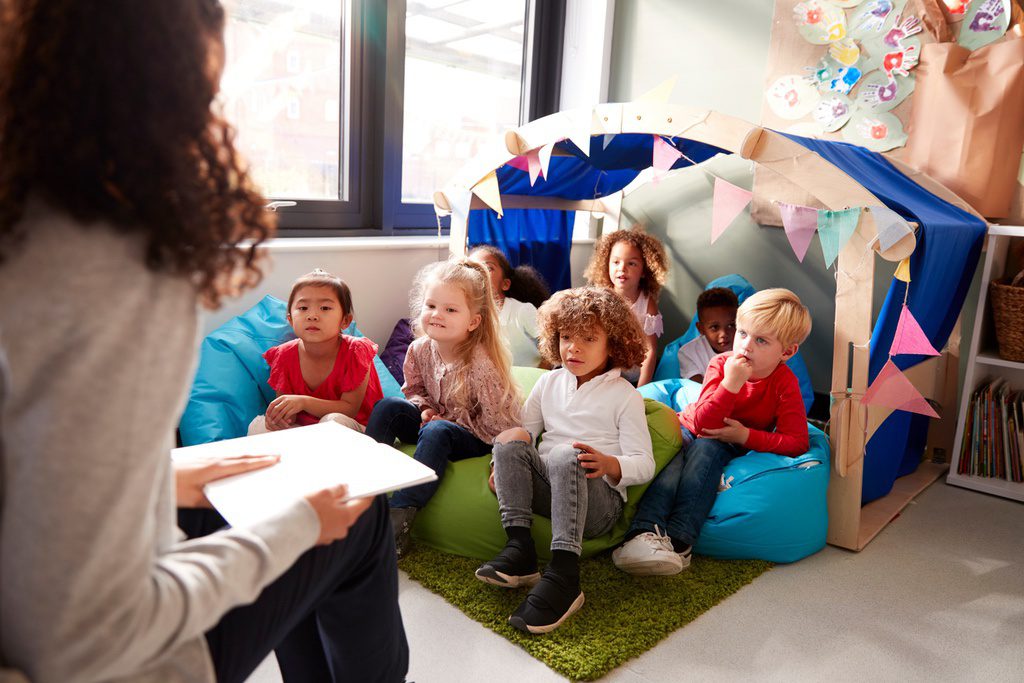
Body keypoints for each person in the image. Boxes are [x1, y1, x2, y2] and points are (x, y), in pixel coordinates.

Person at [0, 2, 408, 682]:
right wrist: (294, 529)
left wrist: (160, 479)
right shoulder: (110, 267)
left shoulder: (22, 228)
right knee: (357, 519)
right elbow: (73, 633)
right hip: (119, 658)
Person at [475, 287, 654, 634]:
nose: (574, 347)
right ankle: (520, 549)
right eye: (567, 336)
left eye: (588, 338)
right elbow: (525, 433)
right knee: (510, 438)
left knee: (566, 454)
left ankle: (564, 574)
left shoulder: (625, 396)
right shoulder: (549, 382)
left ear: (613, 343)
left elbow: (644, 463)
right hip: (550, 489)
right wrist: (502, 465)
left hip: (596, 505)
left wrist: (609, 464)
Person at [612, 289, 812, 576]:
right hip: (693, 426)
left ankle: (680, 540)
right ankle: (643, 532)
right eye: (742, 333)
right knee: (673, 452)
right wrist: (731, 384)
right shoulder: (721, 364)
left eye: (761, 340)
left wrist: (745, 436)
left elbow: (797, 442)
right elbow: (703, 422)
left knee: (706, 450)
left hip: (726, 442)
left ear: (787, 351)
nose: (745, 346)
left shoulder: (784, 383)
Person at [365, 258, 522, 557]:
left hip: (476, 436)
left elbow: (500, 425)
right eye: (431, 306)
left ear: (472, 321)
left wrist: (496, 460)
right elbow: (413, 390)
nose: (437, 315)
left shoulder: (480, 362)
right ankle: (363, 494)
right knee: (388, 407)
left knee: (438, 430)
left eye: (450, 310)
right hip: (433, 423)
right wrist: (423, 409)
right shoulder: (419, 348)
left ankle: (398, 520)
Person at [248, 268, 383, 434]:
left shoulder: (356, 351)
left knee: (333, 421)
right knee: (259, 426)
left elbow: (349, 409)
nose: (312, 315)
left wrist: (303, 402)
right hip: (306, 431)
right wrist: (279, 418)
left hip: (355, 428)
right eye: (303, 308)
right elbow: (289, 415)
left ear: (345, 321)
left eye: (325, 308)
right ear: (290, 319)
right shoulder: (282, 356)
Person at [583, 227, 669, 386]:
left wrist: (642, 390)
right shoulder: (601, 298)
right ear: (606, 265)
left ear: (644, 271)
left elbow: (650, 351)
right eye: (616, 262)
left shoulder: (646, 304)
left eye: (631, 263)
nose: (622, 268)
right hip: (604, 370)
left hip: (634, 373)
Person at [468, 244, 550, 368]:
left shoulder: (522, 311)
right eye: (473, 268)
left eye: (488, 267)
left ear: (505, 284)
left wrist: (543, 370)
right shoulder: (466, 315)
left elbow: (551, 341)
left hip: (528, 380)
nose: (480, 272)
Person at [678, 287, 739, 383]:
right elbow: (699, 390)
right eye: (715, 327)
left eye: (731, 325)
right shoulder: (688, 353)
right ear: (701, 329)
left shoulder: (746, 347)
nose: (723, 334)